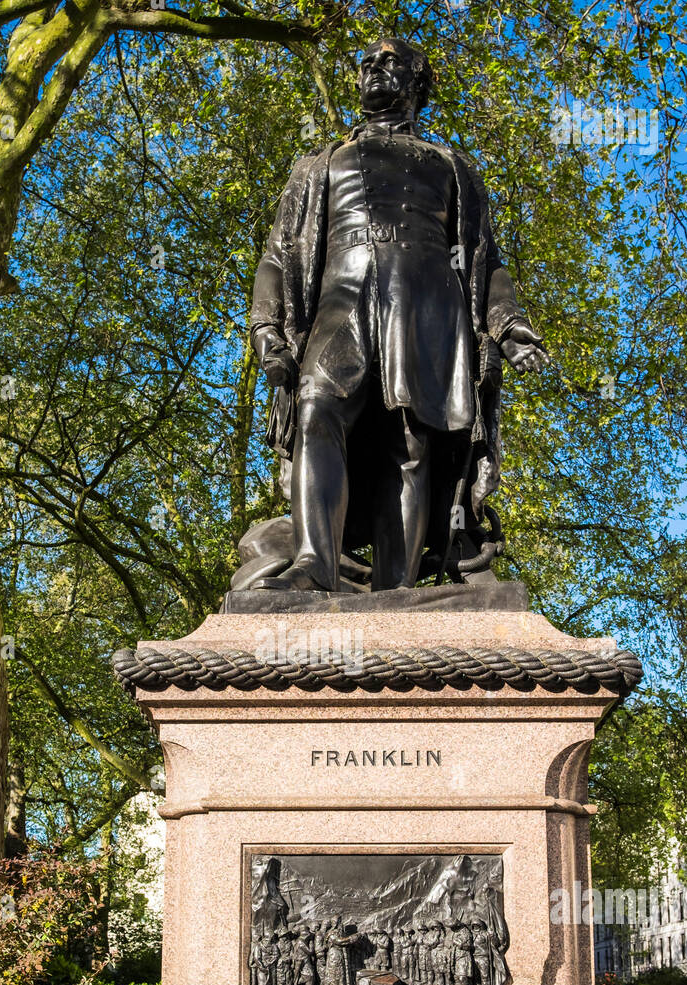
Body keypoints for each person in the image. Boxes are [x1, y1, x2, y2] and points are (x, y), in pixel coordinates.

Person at [234, 37, 548, 595]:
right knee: (316, 410)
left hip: (428, 304)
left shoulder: (452, 166)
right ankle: (313, 565)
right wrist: (264, 327)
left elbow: (484, 260)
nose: (372, 70)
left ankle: (396, 588)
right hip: (340, 295)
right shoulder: (318, 165)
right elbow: (280, 254)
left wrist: (510, 327)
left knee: (412, 440)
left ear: (417, 83)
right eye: (365, 64)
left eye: (388, 62)